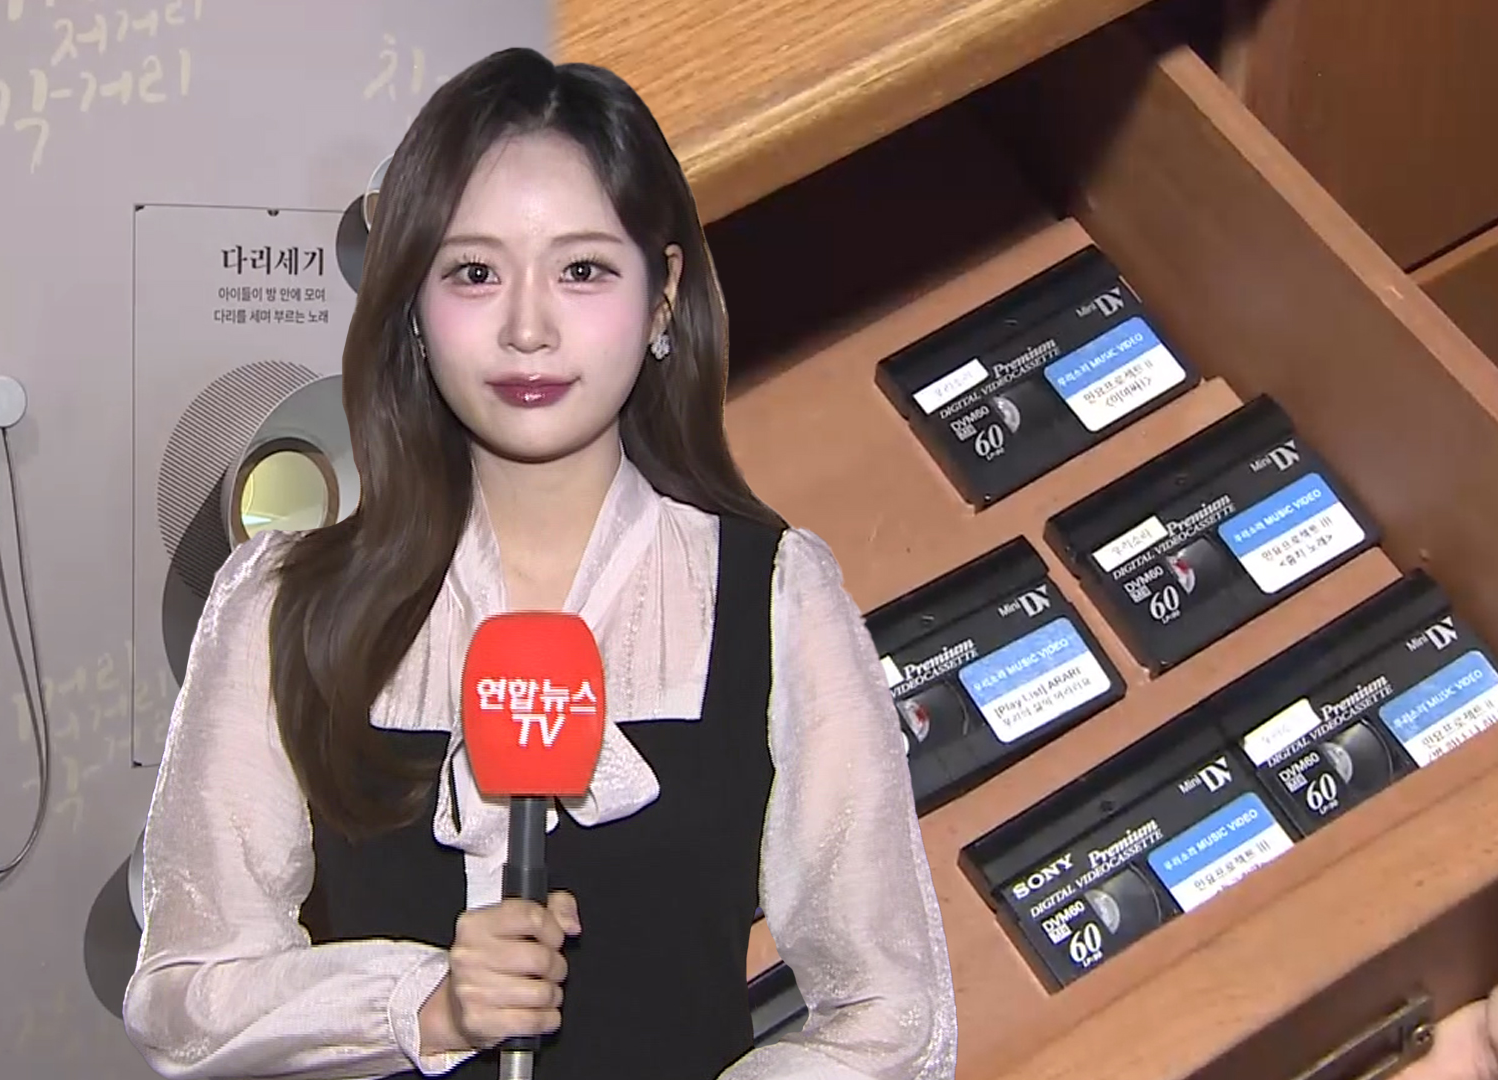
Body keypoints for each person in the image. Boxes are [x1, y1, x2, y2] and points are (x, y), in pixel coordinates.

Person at [123, 45, 957, 1080]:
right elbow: (183, 998)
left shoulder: (774, 595)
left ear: (663, 295)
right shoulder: (282, 605)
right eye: (474, 272)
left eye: (583, 270)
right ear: (412, 303)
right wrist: (423, 1005)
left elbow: (895, 1013)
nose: (527, 328)